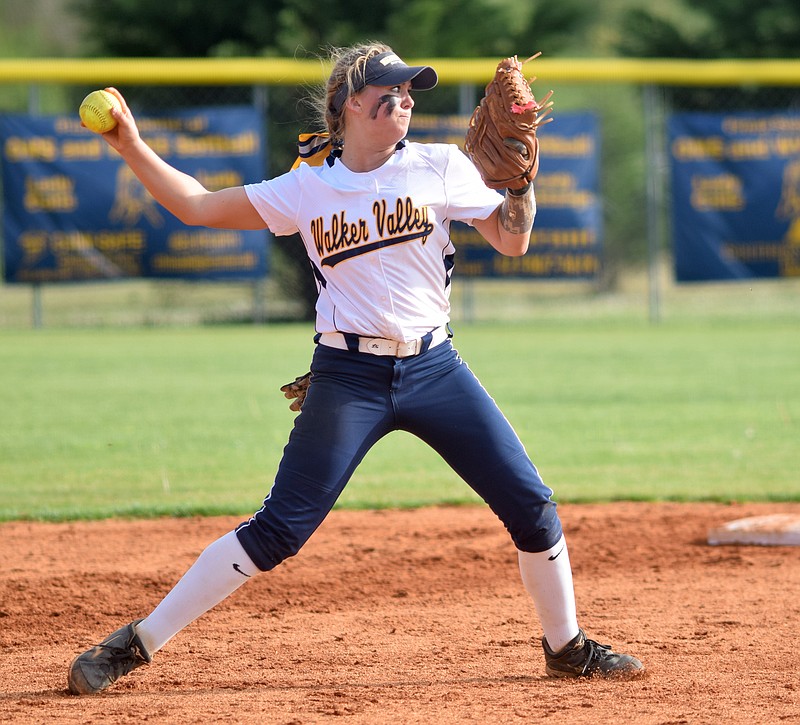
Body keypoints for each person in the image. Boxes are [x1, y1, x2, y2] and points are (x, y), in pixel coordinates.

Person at [67, 42, 644, 695]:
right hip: (348, 375)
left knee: (532, 505)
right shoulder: (309, 185)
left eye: (409, 91)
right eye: (388, 91)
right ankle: (134, 642)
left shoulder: (441, 166)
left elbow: (514, 238)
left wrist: (520, 187)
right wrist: (130, 145)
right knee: (280, 528)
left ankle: (566, 647)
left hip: (435, 367)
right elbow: (198, 206)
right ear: (347, 104)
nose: (403, 100)